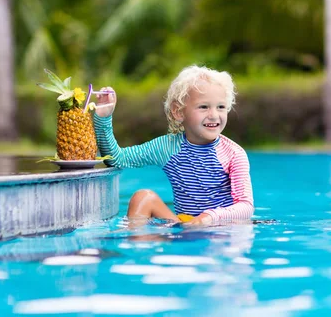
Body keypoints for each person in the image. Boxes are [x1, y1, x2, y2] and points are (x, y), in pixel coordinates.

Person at [93, 65, 254, 226]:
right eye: (204, 107)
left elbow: (246, 207)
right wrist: (103, 118)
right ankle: (136, 243)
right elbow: (117, 159)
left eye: (221, 107)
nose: (214, 115)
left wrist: (208, 218)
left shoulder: (233, 154)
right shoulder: (168, 147)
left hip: (223, 230)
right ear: (179, 112)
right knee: (143, 198)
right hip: (183, 228)